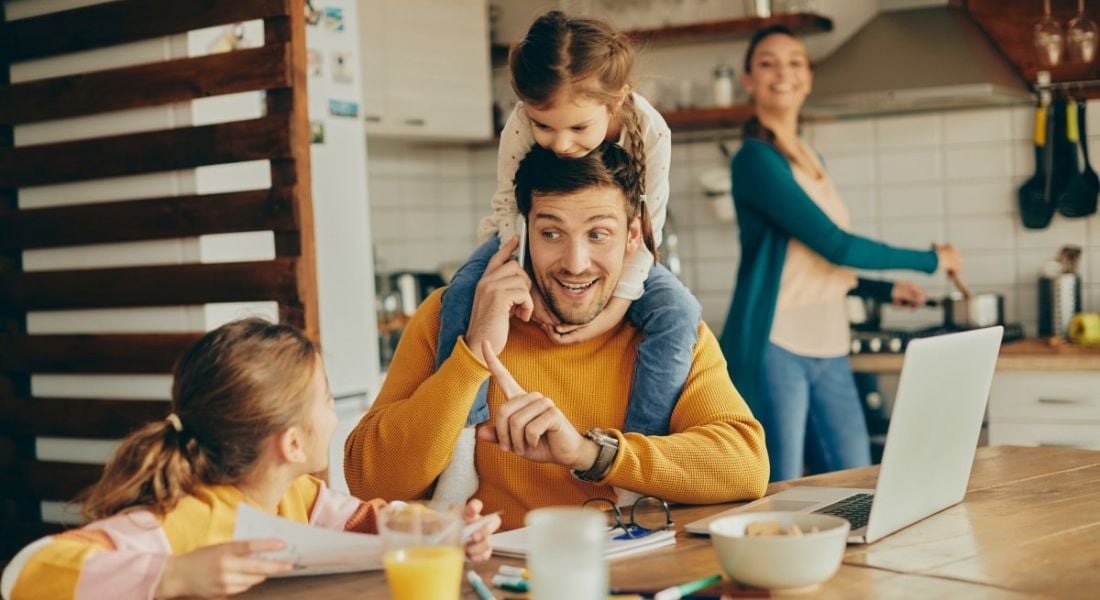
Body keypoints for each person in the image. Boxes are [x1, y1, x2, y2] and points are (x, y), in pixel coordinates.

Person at [346, 143, 769, 531]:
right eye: (551, 233)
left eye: (598, 234)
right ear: (522, 233)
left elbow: (746, 466)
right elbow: (370, 481)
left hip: (632, 576)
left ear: (632, 237)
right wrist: (473, 353)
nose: (575, 262)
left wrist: (590, 455)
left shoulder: (668, 329)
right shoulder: (449, 317)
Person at [1, 319, 499, 600]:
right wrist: (175, 576)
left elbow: (370, 522)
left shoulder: (297, 497)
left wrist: (441, 531)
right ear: (292, 446)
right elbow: (28, 571)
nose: (334, 415)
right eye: (327, 401)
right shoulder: (181, 520)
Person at [429, 10, 702, 509]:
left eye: (578, 127)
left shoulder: (652, 131)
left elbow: (647, 232)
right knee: (462, 295)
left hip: (631, 261)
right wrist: (525, 275)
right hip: (515, 237)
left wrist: (615, 311)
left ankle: (634, 465)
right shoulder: (520, 125)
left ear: (615, 101)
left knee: (679, 312)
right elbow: (510, 209)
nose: (560, 144)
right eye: (545, 127)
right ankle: (461, 443)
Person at [719, 26, 966, 482]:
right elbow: (835, 243)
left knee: (854, 481)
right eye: (768, 63)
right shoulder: (754, 160)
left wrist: (884, 288)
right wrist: (932, 259)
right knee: (782, 487)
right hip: (778, 344)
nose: (783, 73)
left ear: (809, 78)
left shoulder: (811, 160)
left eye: (795, 62)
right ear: (748, 79)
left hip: (830, 342)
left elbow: (822, 260)